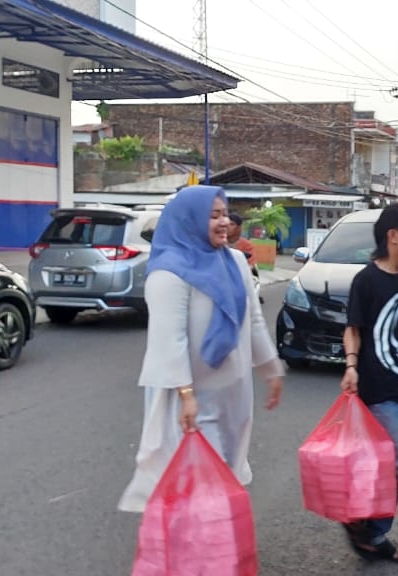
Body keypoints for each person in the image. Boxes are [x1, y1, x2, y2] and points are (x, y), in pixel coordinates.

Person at [117, 186, 284, 513]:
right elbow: (170, 339)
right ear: (190, 220)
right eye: (213, 216)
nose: (224, 222)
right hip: (192, 399)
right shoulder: (169, 271)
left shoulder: (235, 262)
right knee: (201, 482)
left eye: (225, 214)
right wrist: (187, 395)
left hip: (233, 393)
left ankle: (208, 550)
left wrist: (270, 367)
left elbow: (251, 320)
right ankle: (201, 554)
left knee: (224, 474)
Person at [339, 204, 398, 564]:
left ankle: (371, 532)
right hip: (376, 388)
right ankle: (366, 525)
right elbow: (353, 328)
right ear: (392, 235)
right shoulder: (366, 280)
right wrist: (351, 366)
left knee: (388, 462)